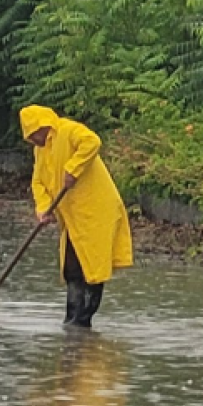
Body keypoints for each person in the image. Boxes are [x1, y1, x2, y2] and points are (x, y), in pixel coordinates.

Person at [19, 105, 133, 328]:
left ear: (43, 126)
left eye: (34, 134)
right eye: (30, 137)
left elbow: (92, 142)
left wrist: (73, 169)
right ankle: (71, 319)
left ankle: (83, 320)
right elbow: (38, 182)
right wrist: (43, 208)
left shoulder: (68, 130)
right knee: (71, 267)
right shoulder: (40, 150)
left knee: (93, 267)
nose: (33, 140)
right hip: (71, 217)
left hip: (96, 211)